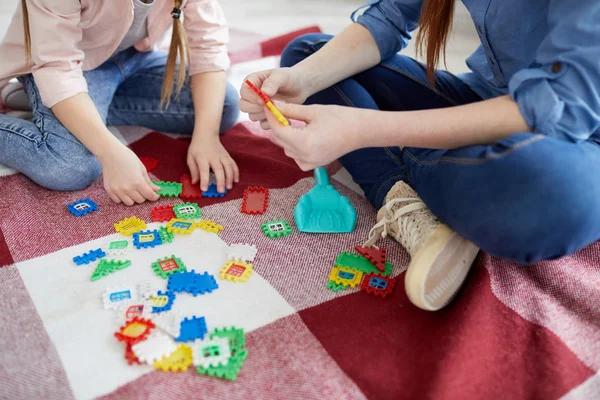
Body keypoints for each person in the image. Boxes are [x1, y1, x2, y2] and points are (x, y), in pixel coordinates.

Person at [239, 0, 600, 311]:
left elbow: (563, 107)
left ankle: (400, 166)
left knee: (557, 192)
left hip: (579, 144)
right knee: (305, 56)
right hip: (489, 100)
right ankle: (408, 193)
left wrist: (364, 130)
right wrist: (300, 80)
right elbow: (391, 15)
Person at [0, 0, 240, 205]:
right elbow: (57, 70)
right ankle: (46, 99)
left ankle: (39, 102)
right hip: (65, 68)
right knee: (71, 167)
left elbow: (209, 47)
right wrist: (110, 152)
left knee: (223, 107)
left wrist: (206, 136)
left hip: (132, 57)